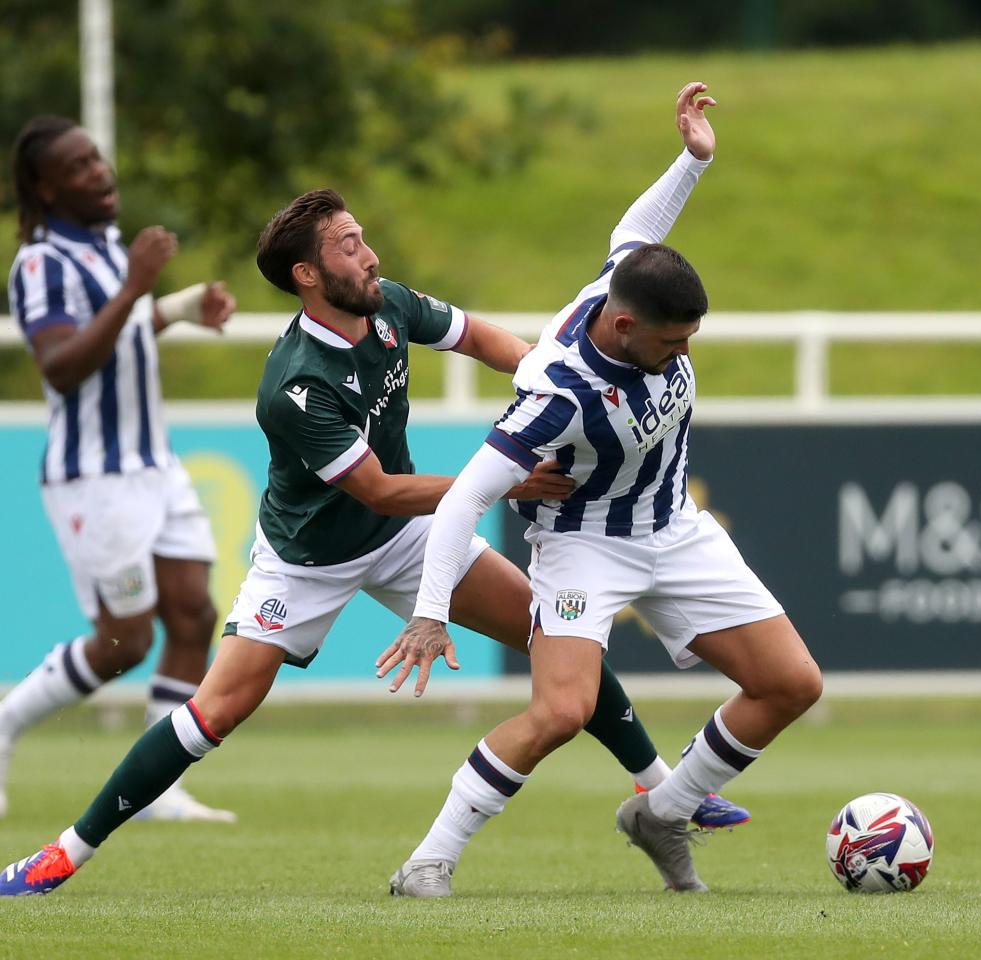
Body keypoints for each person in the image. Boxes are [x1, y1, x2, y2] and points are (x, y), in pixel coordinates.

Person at [0, 186, 746, 896]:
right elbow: (380, 489)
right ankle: (65, 853)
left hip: (402, 536)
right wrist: (509, 480)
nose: (370, 256)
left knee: (549, 629)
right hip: (307, 559)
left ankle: (658, 787)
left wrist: (550, 380)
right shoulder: (295, 385)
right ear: (308, 275)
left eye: (362, 239)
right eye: (350, 246)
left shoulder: (386, 304)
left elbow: (479, 337)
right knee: (215, 712)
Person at [378, 82, 823, 898]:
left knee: (793, 684)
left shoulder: (624, 286)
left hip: (675, 527)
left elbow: (636, 233)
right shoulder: (558, 395)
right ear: (623, 328)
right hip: (585, 547)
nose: (684, 353)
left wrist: (692, 160)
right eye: (673, 341)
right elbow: (464, 498)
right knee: (561, 712)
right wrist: (430, 612)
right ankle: (427, 862)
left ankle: (663, 813)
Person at [1, 116, 237, 823]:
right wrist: (135, 287)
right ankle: (6, 723)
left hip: (154, 466)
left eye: (97, 158)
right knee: (124, 642)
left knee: (194, 614)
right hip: (94, 481)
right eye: (78, 166)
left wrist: (181, 307)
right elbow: (62, 365)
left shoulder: (105, 247)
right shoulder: (40, 264)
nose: (100, 172)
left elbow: (121, 329)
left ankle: (158, 789)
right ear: (46, 189)